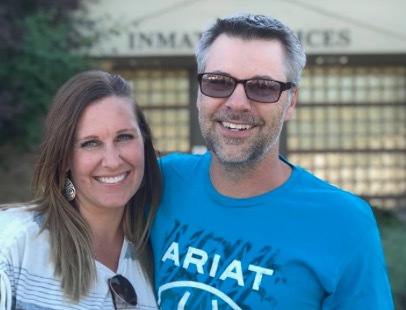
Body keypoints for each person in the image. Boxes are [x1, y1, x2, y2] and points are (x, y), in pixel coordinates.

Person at [150, 14, 394, 309]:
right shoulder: (160, 181)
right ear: (200, 93)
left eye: (262, 87)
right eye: (218, 82)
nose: (237, 103)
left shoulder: (344, 223)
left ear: (290, 102)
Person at [0, 70, 162, 309]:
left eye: (124, 137)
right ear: (64, 157)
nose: (113, 160)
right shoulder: (15, 242)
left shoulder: (159, 253)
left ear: (144, 143)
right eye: (91, 143)